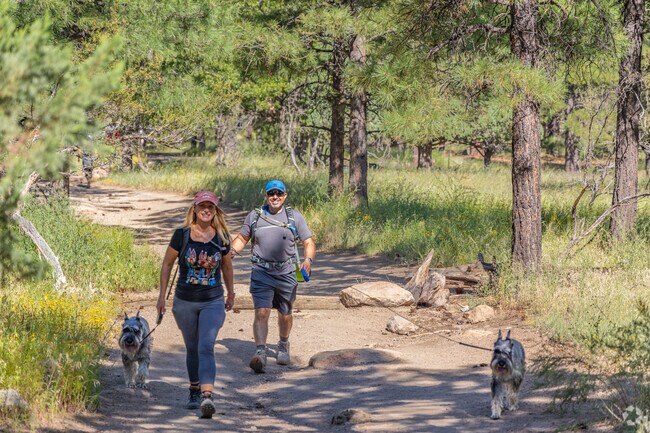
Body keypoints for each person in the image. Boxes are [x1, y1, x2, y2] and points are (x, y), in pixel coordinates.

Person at [157, 191, 235, 419]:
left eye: (210, 207)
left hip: (212, 300)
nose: (206, 210)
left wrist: (231, 293)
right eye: (203, 206)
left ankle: (207, 395)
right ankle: (193, 389)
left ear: (215, 211)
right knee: (192, 348)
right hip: (184, 301)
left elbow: (227, 268)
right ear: (195, 208)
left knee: (206, 346)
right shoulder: (181, 235)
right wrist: (161, 297)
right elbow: (166, 265)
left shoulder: (222, 237)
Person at [230, 180, 316, 373]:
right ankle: (260, 352)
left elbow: (308, 241)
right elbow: (242, 238)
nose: (275, 197)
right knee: (262, 312)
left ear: (285, 196)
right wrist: (230, 253)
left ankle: (283, 344)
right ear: (266, 196)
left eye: (279, 193)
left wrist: (308, 261)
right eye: (271, 194)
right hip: (261, 272)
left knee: (285, 314)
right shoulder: (255, 216)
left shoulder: (295, 217)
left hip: (286, 273)